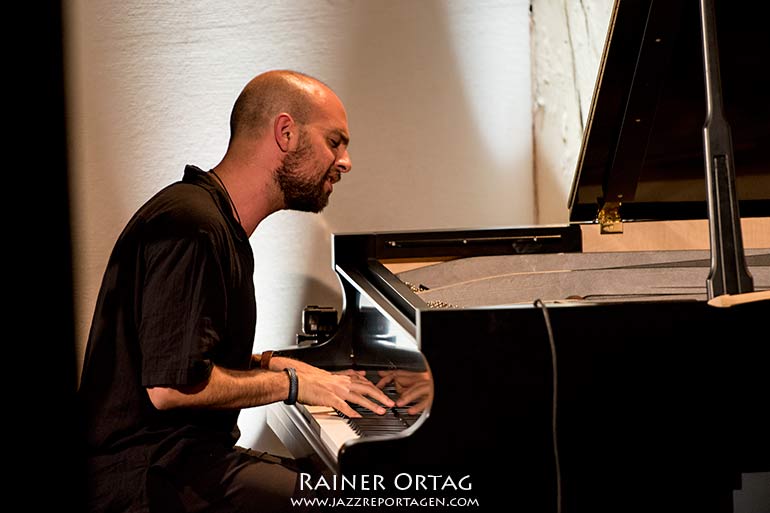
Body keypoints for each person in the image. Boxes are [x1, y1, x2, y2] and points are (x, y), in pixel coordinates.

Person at [77, 69, 395, 513]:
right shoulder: (193, 227)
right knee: (355, 501)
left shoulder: (212, 221)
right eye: (335, 142)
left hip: (181, 461)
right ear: (285, 132)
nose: (345, 162)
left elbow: (178, 354)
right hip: (146, 476)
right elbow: (169, 386)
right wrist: (293, 384)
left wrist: (270, 363)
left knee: (343, 487)